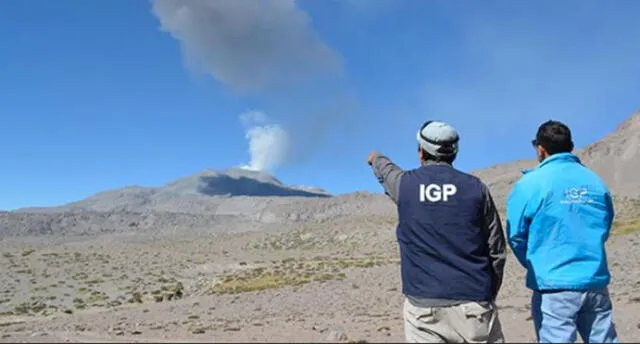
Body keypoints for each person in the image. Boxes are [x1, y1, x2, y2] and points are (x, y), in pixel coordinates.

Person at [367, 120, 506, 343]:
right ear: (455, 152)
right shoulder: (476, 188)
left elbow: (386, 169)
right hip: (474, 305)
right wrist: (487, 292)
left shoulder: (405, 185)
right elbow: (496, 249)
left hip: (424, 309)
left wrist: (375, 158)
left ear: (421, 151)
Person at [506, 120, 619, 343]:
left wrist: (535, 262)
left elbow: (516, 235)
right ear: (571, 145)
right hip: (594, 279)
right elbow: (604, 224)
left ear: (540, 148)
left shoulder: (530, 184)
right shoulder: (595, 182)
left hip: (553, 284)